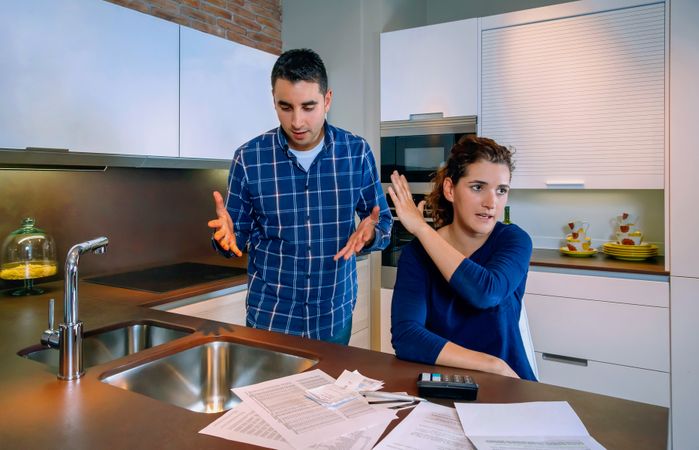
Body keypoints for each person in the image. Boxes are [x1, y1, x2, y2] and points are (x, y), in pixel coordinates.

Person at [207, 48, 392, 345]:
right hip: (270, 319)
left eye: (309, 107)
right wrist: (225, 240)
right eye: (286, 107)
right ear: (273, 101)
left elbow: (382, 222)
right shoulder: (249, 158)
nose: (296, 121)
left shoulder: (356, 152)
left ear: (327, 100)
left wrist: (371, 234)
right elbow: (235, 240)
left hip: (333, 316)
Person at [387, 135, 536, 380]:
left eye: (501, 190)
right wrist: (490, 364)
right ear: (450, 189)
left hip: (511, 382)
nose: (491, 203)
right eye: (478, 187)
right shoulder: (416, 254)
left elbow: (485, 292)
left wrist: (423, 230)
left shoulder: (513, 240)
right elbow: (406, 336)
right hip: (446, 384)